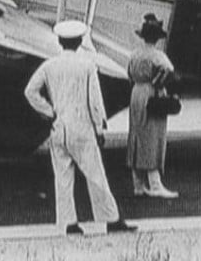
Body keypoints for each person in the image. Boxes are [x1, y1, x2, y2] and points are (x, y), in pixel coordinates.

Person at [24, 20, 136, 235]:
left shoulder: (49, 65)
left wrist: (48, 111)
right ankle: (111, 219)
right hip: (82, 127)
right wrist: (100, 128)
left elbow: (30, 91)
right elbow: (94, 101)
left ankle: (69, 223)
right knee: (95, 175)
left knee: (63, 177)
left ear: (59, 41)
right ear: (79, 41)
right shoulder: (87, 65)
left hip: (58, 127)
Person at [126, 13, 179, 198]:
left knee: (136, 135)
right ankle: (155, 184)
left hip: (136, 93)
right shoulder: (158, 56)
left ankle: (138, 184)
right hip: (151, 93)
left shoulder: (134, 54)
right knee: (153, 135)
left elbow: (129, 75)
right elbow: (170, 72)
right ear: (157, 38)